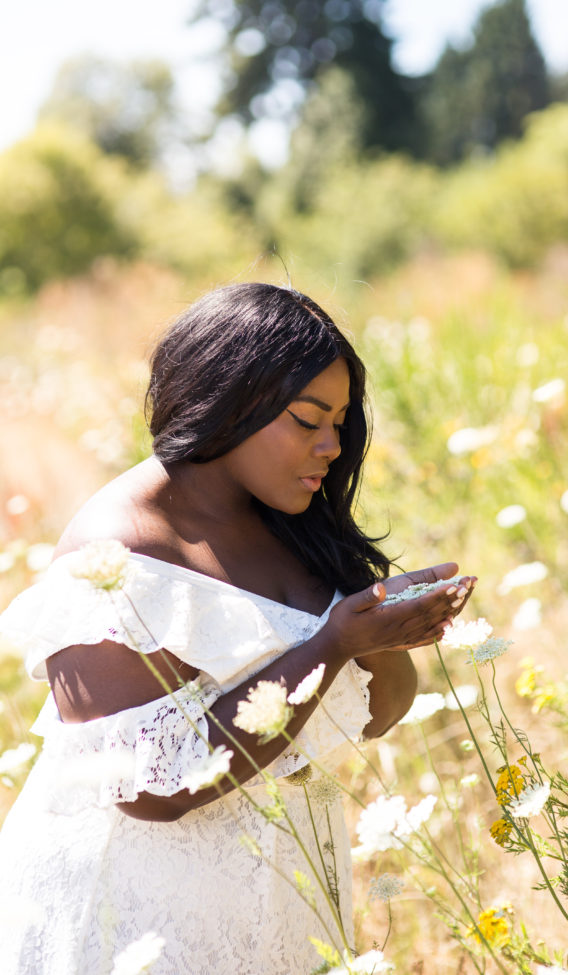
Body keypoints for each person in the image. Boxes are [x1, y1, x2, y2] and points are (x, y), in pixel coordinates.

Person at [0, 282, 475, 975]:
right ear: (229, 399)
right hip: (136, 923)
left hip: (284, 903)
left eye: (340, 422)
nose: (332, 447)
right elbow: (150, 790)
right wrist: (331, 644)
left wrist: (379, 628)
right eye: (307, 420)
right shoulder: (117, 549)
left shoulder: (291, 521)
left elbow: (379, 715)